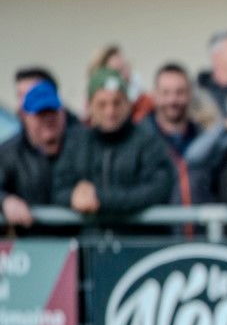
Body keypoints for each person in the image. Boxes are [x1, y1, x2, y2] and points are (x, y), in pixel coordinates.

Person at [52, 69, 175, 224]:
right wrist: (74, 196)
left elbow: (158, 189)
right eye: (102, 104)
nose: (110, 111)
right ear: (90, 106)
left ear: (128, 104)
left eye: (117, 102)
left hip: (138, 239)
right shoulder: (77, 143)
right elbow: (58, 188)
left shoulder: (148, 140)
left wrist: (100, 198)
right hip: (92, 241)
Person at [0, 82, 68, 230]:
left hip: (78, 241)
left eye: (52, 112)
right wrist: (5, 200)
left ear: (62, 113)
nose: (48, 119)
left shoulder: (79, 144)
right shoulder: (9, 153)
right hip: (30, 244)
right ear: (25, 117)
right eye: (40, 114)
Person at [145, 63, 201, 205]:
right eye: (166, 93)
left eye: (179, 92)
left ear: (189, 94)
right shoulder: (141, 139)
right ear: (155, 95)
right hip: (159, 226)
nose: (173, 100)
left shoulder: (202, 137)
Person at [88, 44, 153, 124]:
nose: (125, 75)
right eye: (117, 71)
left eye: (125, 67)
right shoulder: (90, 119)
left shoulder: (147, 105)